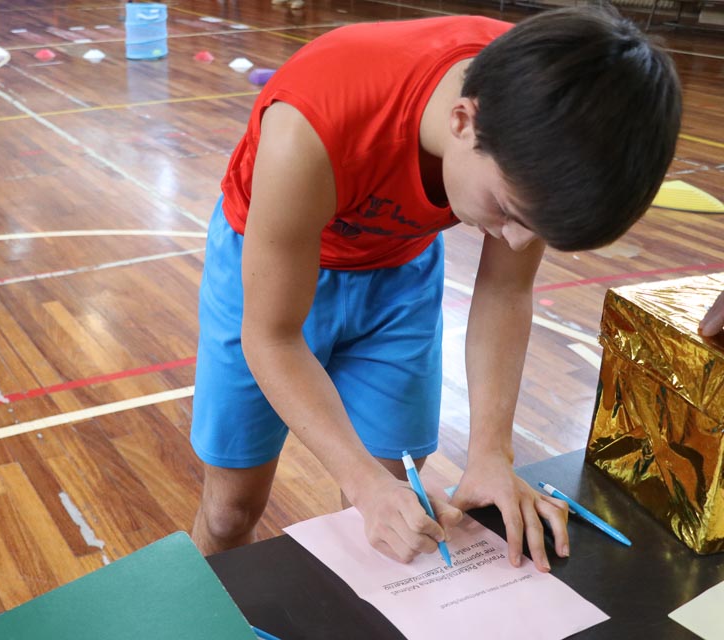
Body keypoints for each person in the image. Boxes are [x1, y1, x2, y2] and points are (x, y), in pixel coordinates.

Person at [189, 6, 682, 572]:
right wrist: (362, 481)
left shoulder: (550, 119)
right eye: (508, 212)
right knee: (230, 511)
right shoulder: (310, 125)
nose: (517, 242)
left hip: (399, 270)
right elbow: (273, 337)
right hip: (265, 264)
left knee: (394, 506)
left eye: (538, 229)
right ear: (462, 121)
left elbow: (506, 290)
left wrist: (491, 453)